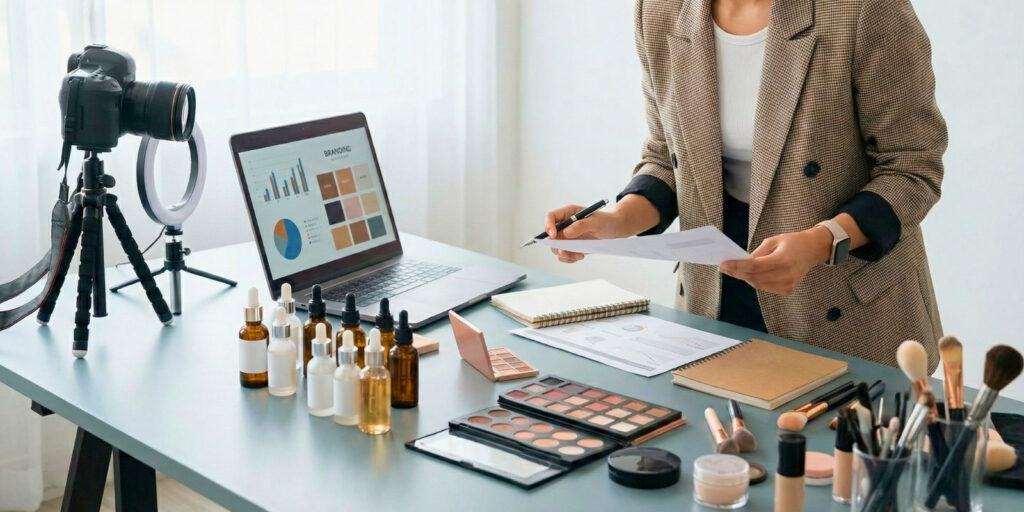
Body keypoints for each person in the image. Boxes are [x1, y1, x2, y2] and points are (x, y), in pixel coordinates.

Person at [544, 0, 946, 372]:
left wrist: (821, 242)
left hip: (843, 302)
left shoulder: (862, 10)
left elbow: (912, 166)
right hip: (716, 293)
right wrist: (615, 222)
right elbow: (667, 155)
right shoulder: (660, 9)